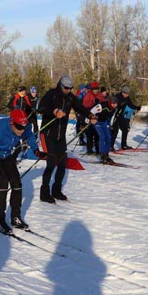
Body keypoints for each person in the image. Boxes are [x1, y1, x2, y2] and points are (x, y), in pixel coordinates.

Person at [0, 109, 44, 233]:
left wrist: (36, 150)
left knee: (17, 183)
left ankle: (15, 217)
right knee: (2, 183)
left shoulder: (24, 126)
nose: (21, 131)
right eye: (18, 127)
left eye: (23, 127)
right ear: (12, 122)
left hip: (7, 156)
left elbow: (29, 135)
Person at [37, 75, 95, 203]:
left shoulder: (70, 97)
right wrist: (54, 111)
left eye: (71, 88)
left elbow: (79, 107)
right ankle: (44, 193)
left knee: (62, 163)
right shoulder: (52, 94)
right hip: (48, 134)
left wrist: (90, 115)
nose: (69, 90)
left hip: (60, 136)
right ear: (61, 85)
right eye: (66, 88)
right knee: (51, 163)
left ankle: (56, 190)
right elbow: (40, 108)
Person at [110, 86, 139, 151]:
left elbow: (130, 104)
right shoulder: (117, 97)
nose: (127, 95)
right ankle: (111, 146)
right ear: (123, 92)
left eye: (128, 94)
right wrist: (120, 104)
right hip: (115, 116)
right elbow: (114, 105)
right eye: (126, 94)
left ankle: (124, 145)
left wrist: (136, 107)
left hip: (121, 116)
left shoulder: (127, 98)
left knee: (125, 129)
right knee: (115, 131)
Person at [82, 82, 101, 155]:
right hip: (89, 116)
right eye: (94, 89)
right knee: (89, 134)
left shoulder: (99, 95)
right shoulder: (88, 95)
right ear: (92, 89)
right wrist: (93, 102)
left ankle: (98, 149)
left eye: (97, 89)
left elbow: (103, 103)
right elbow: (85, 105)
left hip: (97, 117)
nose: (96, 91)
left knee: (97, 134)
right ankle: (89, 150)